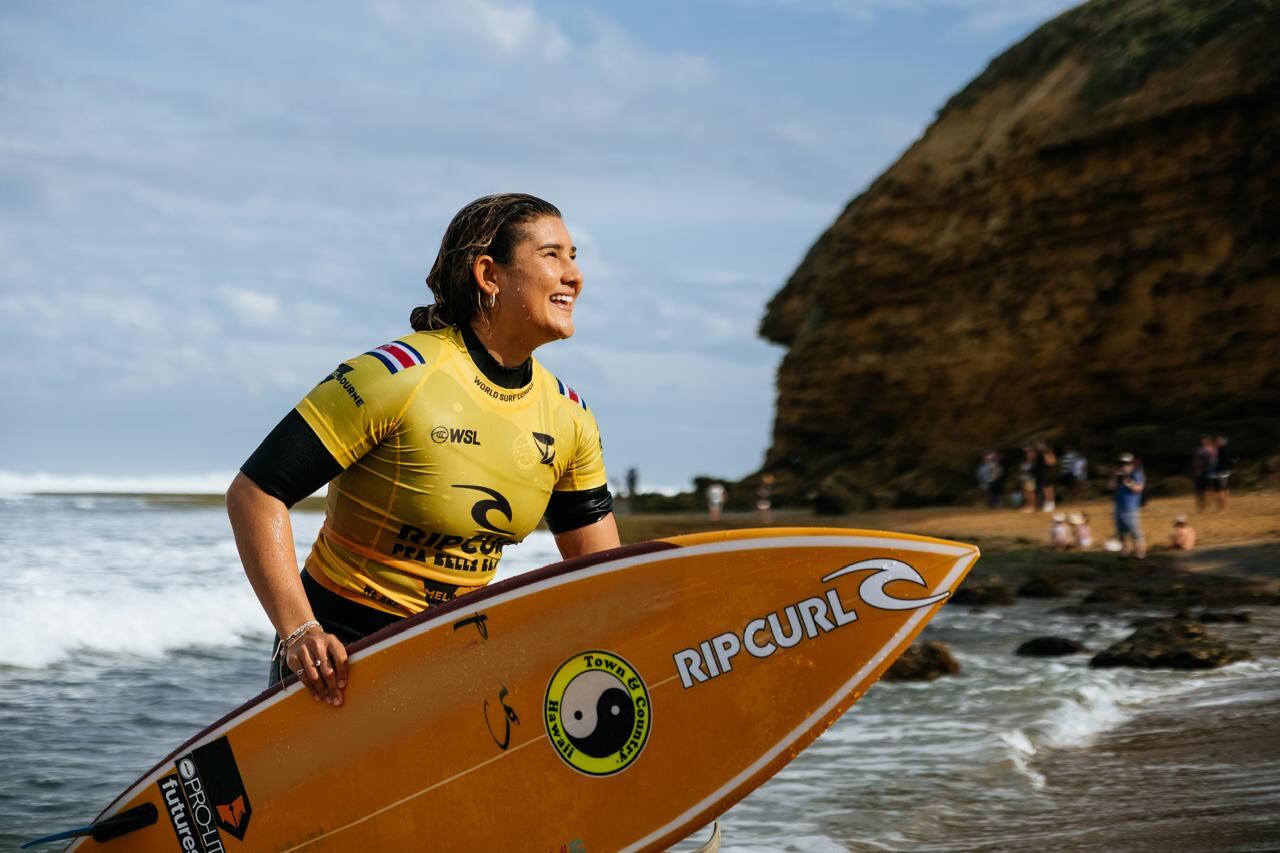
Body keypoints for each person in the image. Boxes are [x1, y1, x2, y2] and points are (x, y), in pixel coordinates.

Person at [226, 194, 620, 708]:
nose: (574, 275)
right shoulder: (395, 377)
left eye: (574, 256)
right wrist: (300, 632)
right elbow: (256, 493)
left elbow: (604, 576)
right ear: (489, 274)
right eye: (552, 255)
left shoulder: (569, 416)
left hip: (455, 662)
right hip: (340, 662)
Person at [1109, 453, 1146, 559]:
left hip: (1130, 508)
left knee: (1135, 532)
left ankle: (1140, 554)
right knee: (1121, 532)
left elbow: (1138, 489)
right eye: (1122, 464)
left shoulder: (1137, 474)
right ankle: (1124, 552)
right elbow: (1110, 487)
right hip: (1118, 507)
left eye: (1127, 464)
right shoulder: (1117, 474)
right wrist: (1116, 478)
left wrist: (1127, 481)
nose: (1124, 466)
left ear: (1132, 464)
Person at [1192, 435, 1217, 512]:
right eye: (1203, 440)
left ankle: (1206, 506)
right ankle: (1200, 507)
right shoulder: (1199, 450)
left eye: (1206, 440)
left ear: (1209, 441)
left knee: (1208, 490)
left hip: (1208, 472)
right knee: (1199, 491)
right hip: (1199, 473)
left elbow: (1214, 461)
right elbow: (1195, 461)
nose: (1204, 441)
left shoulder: (1213, 449)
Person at [1213, 435, 1234, 512]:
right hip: (1227, 471)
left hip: (1220, 472)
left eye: (1217, 441)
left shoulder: (1219, 451)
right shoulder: (1228, 449)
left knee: (1220, 490)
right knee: (1225, 489)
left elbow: (1216, 462)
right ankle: (1224, 507)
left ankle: (1222, 508)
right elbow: (1231, 460)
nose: (1216, 443)